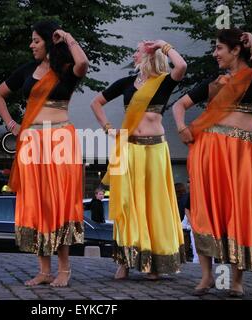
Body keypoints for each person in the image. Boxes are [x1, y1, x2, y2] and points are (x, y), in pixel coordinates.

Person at [172, 28, 252, 297]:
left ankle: (236, 281)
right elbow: (178, 106)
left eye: (219, 48)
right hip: (208, 150)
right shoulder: (214, 82)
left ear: (236, 49)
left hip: (239, 153)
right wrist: (182, 128)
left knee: (238, 210)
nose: (215, 53)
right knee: (206, 210)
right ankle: (207, 277)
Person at [0, 20, 89, 287]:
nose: (31, 45)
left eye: (36, 40)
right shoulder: (27, 69)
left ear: (48, 41)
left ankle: (64, 269)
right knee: (37, 203)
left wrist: (67, 36)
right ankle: (44, 270)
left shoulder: (66, 69)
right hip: (32, 141)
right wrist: (11, 123)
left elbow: (84, 64)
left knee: (58, 202)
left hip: (59, 139)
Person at [91, 39, 187, 280]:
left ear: (149, 56)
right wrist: (108, 128)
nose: (134, 55)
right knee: (127, 203)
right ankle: (124, 261)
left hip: (155, 152)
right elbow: (96, 103)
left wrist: (164, 45)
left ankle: (154, 263)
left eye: (137, 51)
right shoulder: (125, 83)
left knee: (154, 205)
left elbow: (182, 65)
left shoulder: (164, 82)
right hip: (131, 149)